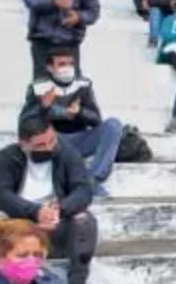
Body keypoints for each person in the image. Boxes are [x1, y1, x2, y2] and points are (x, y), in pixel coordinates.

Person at [0, 114, 99, 284]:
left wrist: (60, 209)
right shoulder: (7, 157)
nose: (48, 148)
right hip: (21, 223)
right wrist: (34, 212)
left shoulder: (67, 153)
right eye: (40, 145)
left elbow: (83, 190)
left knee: (84, 220)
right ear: (24, 143)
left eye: (51, 141)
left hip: (57, 223)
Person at [21, 48, 122, 198]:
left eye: (70, 64)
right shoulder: (39, 88)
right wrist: (55, 111)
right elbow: (27, 120)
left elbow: (95, 119)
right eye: (62, 64)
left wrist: (79, 113)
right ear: (50, 67)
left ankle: (92, 179)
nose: (67, 69)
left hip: (80, 139)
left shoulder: (83, 85)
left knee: (113, 125)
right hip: (54, 141)